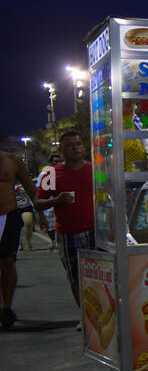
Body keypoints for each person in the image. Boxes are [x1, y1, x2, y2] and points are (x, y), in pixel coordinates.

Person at [33, 132, 94, 308]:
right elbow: (38, 203)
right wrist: (56, 200)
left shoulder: (94, 170)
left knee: (99, 274)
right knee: (75, 276)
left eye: (79, 143)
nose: (76, 148)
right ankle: (84, 316)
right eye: (70, 145)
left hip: (95, 231)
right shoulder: (51, 174)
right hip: (68, 234)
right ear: (62, 149)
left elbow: (107, 191)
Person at [1, 151, 55, 327]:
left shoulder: (11, 160)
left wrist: (41, 214)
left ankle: (7, 308)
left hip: (7, 216)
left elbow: (32, 189)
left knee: (8, 262)